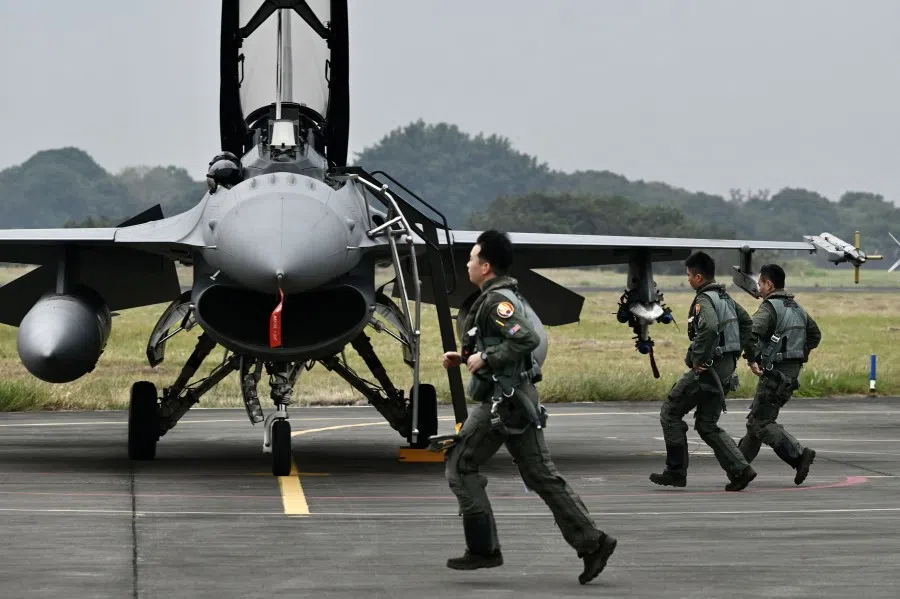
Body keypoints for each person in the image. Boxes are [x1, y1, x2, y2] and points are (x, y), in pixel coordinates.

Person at [441, 229, 617, 585]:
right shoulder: (497, 297)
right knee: (541, 475)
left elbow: (526, 338)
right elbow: (501, 345)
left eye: (472, 258)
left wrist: (486, 358)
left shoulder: (496, 301)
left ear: (486, 266)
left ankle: (483, 549)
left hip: (502, 402)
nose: (468, 263)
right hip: (514, 401)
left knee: (460, 466)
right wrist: (465, 359)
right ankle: (593, 542)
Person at [650, 251, 758, 491]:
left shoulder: (705, 300)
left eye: (689, 275)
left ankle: (676, 472)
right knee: (707, 424)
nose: (687, 279)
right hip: (726, 370)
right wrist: (737, 351)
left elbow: (708, 327)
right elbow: (747, 323)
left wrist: (699, 358)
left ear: (698, 277)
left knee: (670, 412)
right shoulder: (725, 298)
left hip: (709, 371)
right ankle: (741, 470)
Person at [738, 263, 820, 484]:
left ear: (769, 284)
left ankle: (799, 456)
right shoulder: (798, 308)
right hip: (790, 375)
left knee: (762, 422)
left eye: (760, 283)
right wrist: (799, 354)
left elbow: (750, 334)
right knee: (756, 420)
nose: (758, 288)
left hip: (774, 375)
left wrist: (753, 360)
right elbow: (815, 336)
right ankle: (737, 467)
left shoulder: (769, 308)